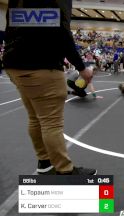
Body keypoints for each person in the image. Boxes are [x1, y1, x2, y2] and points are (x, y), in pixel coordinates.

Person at [3, 0, 96, 175]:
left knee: (34, 117)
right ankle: (65, 170)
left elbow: (11, 23)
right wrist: (82, 68)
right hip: (42, 65)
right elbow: (62, 32)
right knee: (51, 122)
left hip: (13, 64)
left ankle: (44, 163)